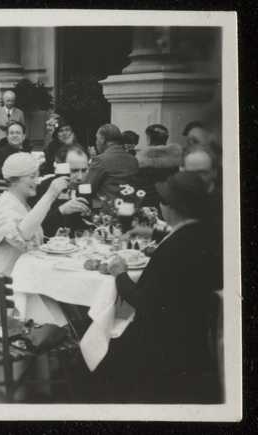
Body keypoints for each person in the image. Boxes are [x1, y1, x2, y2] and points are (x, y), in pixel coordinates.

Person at [99, 171, 222, 403]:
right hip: (193, 334)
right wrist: (151, 232)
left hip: (160, 343)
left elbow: (144, 301)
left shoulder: (173, 249)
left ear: (171, 208)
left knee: (103, 345)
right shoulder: (206, 234)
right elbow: (182, 236)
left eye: (163, 202)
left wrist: (120, 274)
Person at [0, 152, 70, 335]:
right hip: (3, 288)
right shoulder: (5, 206)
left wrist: (53, 239)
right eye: (32, 176)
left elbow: (29, 237)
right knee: (59, 317)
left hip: (21, 279)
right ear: (14, 179)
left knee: (63, 307)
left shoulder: (19, 203)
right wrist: (51, 194)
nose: (37, 181)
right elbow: (22, 235)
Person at [34, 147, 92, 237]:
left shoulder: (84, 189)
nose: (80, 177)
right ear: (61, 168)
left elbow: (83, 224)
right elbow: (35, 227)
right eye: (74, 171)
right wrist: (61, 211)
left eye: (84, 170)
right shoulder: (45, 187)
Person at [84, 124, 139, 201]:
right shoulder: (133, 159)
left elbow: (88, 189)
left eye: (97, 139)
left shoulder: (100, 160)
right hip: (130, 208)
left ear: (102, 139)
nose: (96, 143)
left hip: (109, 209)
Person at [134, 124, 182, 207]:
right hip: (169, 205)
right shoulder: (173, 160)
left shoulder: (141, 160)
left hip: (147, 204)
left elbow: (138, 187)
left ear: (149, 139)